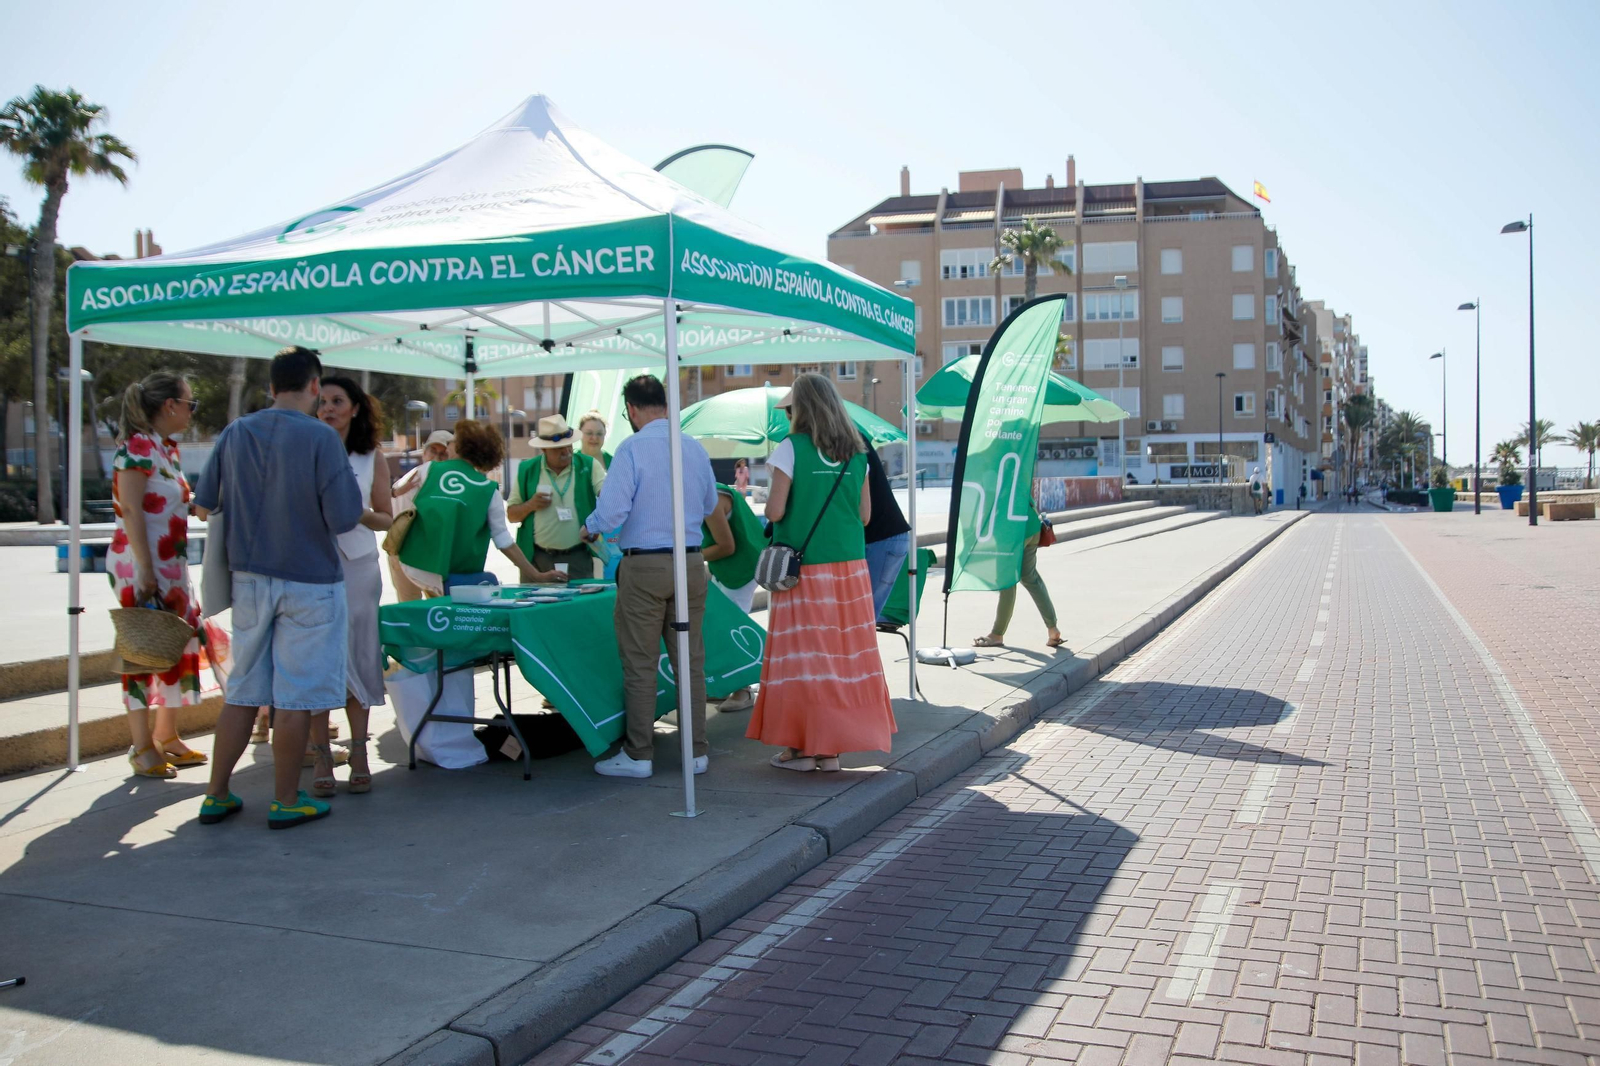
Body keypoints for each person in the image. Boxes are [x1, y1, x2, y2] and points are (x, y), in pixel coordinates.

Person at [192, 346, 363, 830]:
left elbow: (205, 503)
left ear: (270, 387)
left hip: (247, 578)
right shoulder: (322, 438)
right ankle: (286, 799)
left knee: (243, 690)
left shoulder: (235, 432)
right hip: (310, 581)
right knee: (297, 696)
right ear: (314, 386)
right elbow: (344, 516)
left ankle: (216, 793)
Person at [746, 374, 895, 772]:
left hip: (805, 572)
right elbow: (864, 516)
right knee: (843, 660)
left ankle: (804, 749)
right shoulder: (857, 452)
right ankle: (831, 751)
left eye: (791, 409)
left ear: (802, 410)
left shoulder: (790, 449)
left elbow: (775, 512)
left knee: (804, 659)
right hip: (850, 570)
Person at [582, 375, 717, 779]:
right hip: (691, 562)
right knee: (690, 660)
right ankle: (697, 751)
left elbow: (611, 513)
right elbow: (711, 503)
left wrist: (589, 526)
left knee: (640, 662)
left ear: (633, 410)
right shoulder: (693, 448)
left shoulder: (632, 447)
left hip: (645, 565)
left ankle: (639, 753)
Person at [108, 372, 228, 778]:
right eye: (189, 403)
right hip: (143, 563)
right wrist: (144, 568)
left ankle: (166, 735)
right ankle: (142, 745)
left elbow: (173, 503)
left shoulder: (163, 449)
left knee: (176, 644)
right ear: (169, 406)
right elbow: (130, 509)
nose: (192, 411)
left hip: (170, 563)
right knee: (141, 649)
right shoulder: (138, 448)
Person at [306, 375, 392, 797]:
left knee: (359, 655)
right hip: (313, 566)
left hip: (358, 568)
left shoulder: (370, 456)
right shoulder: (304, 449)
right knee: (321, 658)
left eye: (337, 401)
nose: (328, 408)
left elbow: (386, 517)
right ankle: (322, 756)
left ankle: (359, 753)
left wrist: (352, 512)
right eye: (322, 401)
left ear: (355, 408)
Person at [396, 420, 563, 595]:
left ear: (461, 446)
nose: (448, 445)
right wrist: (536, 575)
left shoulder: (429, 469)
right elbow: (503, 539)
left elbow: (399, 494)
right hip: (457, 575)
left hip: (416, 564)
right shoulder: (489, 490)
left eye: (453, 441)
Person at [508, 414, 606, 579]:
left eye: (568, 445)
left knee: (579, 604)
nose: (566, 451)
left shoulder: (589, 465)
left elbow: (608, 498)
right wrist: (531, 505)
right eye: (558, 448)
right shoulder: (527, 469)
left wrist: (596, 524)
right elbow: (511, 515)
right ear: (544, 449)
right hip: (537, 559)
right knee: (538, 604)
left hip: (578, 556)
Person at [701, 475, 765, 711]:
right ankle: (731, 685)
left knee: (731, 628)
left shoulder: (710, 497)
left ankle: (744, 690)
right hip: (729, 568)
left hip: (741, 568)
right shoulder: (705, 490)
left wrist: (690, 556)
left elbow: (726, 546)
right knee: (720, 626)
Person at [973, 498, 1063, 650]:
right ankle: (1052, 628)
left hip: (1012, 526)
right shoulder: (1017, 472)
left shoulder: (995, 473)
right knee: (1030, 578)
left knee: (1007, 580)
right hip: (1032, 523)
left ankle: (997, 634)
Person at [386, 430, 452, 604]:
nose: (437, 458)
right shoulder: (418, 478)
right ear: (424, 452)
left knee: (411, 609)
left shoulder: (409, 478)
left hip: (411, 550)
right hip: (408, 550)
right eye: (433, 451)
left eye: (443, 454)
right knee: (436, 608)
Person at [860, 441, 911, 624]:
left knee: (863, 619)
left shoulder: (845, 441)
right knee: (861, 620)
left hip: (882, 536)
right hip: (882, 535)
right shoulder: (848, 437)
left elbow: (863, 514)